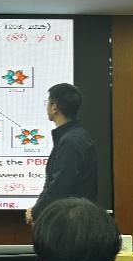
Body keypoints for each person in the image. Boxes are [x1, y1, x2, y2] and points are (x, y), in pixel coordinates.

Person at [26, 83, 97, 224]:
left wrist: (36, 212)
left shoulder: (70, 141)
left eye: (47, 103)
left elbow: (59, 184)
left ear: (54, 108)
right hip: (76, 217)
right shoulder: (77, 136)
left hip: (71, 221)